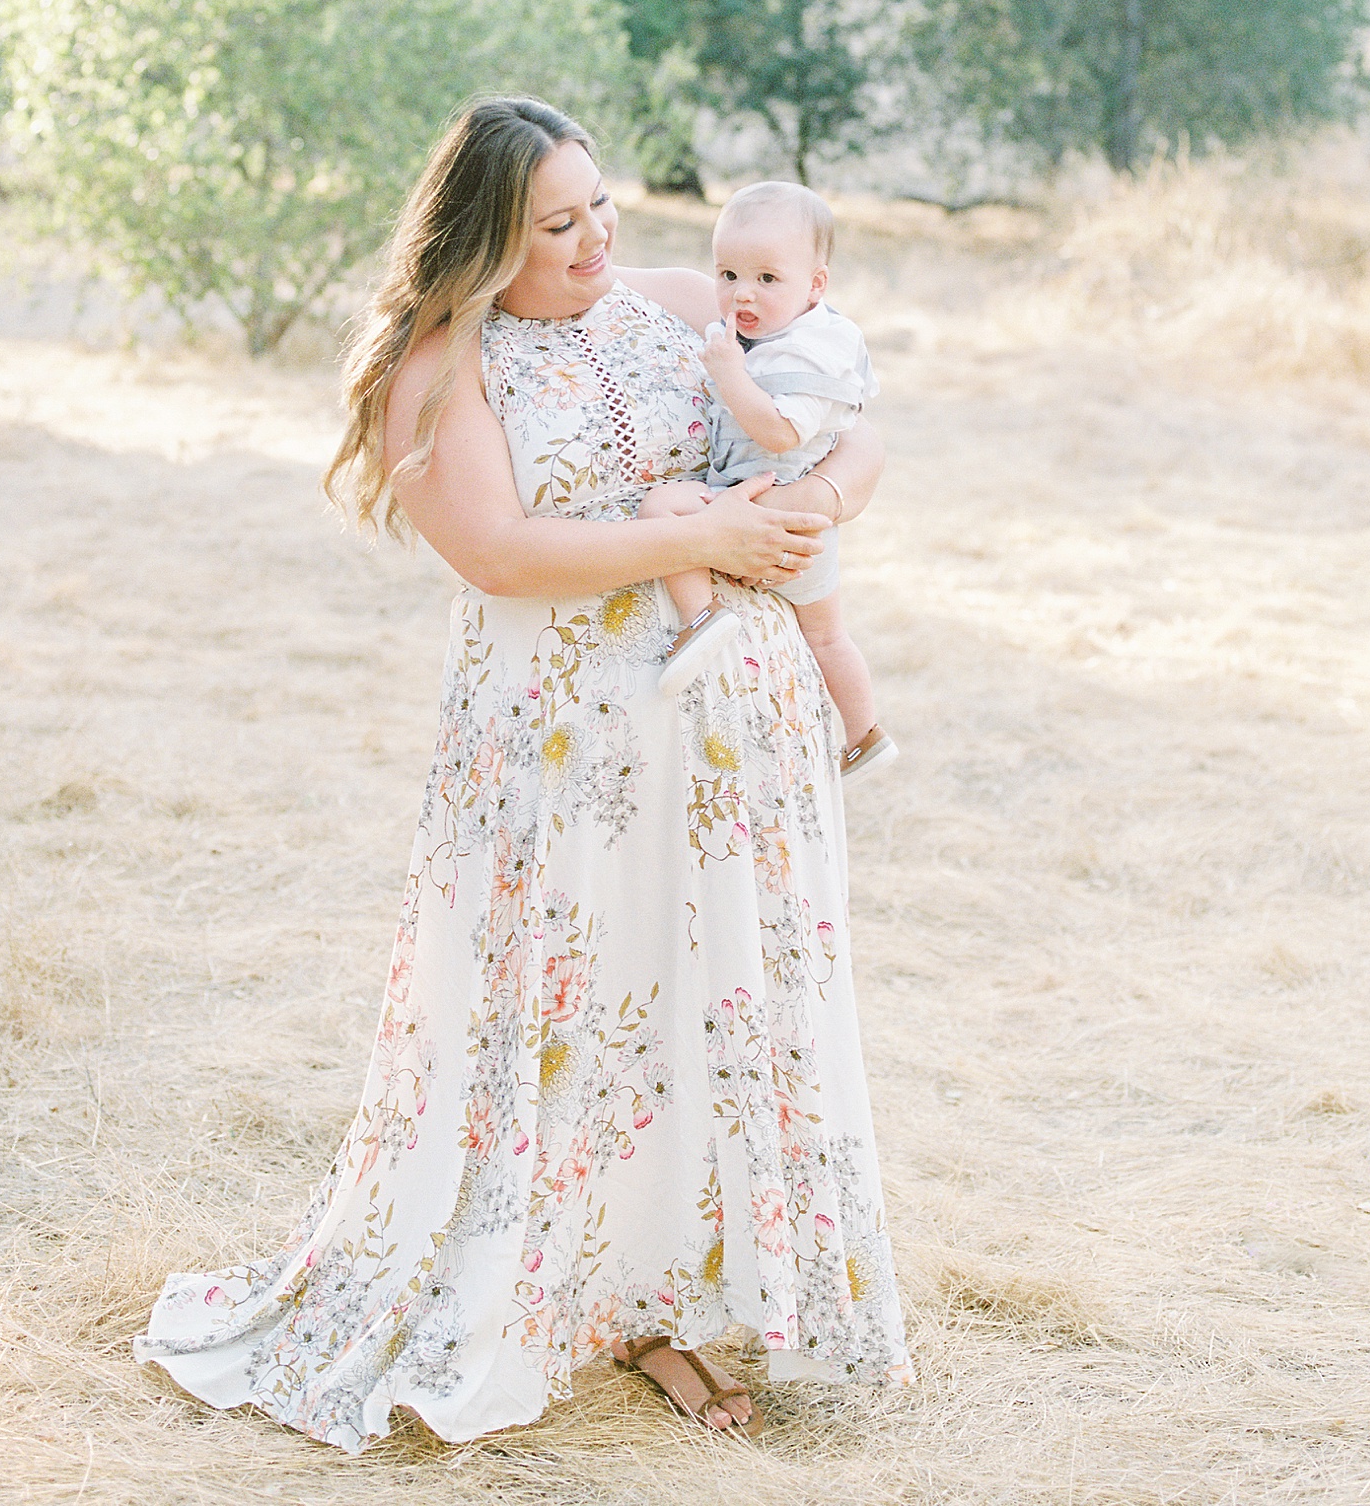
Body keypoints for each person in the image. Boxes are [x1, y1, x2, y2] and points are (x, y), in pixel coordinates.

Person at [134, 97, 913, 1451]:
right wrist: (715, 526)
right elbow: (495, 551)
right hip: (552, 747)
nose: (595, 239)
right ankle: (543, 1294)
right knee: (557, 1018)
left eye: (602, 204)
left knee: (691, 1010)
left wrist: (814, 507)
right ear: (487, 237)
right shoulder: (437, 367)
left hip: (726, 741)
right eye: (557, 223)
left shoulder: (675, 299)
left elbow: (857, 405)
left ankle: (657, 1298)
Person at [637, 182, 897, 779]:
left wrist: (731, 376)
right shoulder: (771, 337)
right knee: (827, 637)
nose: (741, 293)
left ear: (816, 285)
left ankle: (702, 620)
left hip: (775, 518)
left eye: (767, 279)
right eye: (727, 274)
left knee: (662, 509)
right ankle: (864, 733)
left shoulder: (810, 351)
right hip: (799, 529)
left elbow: (781, 431)